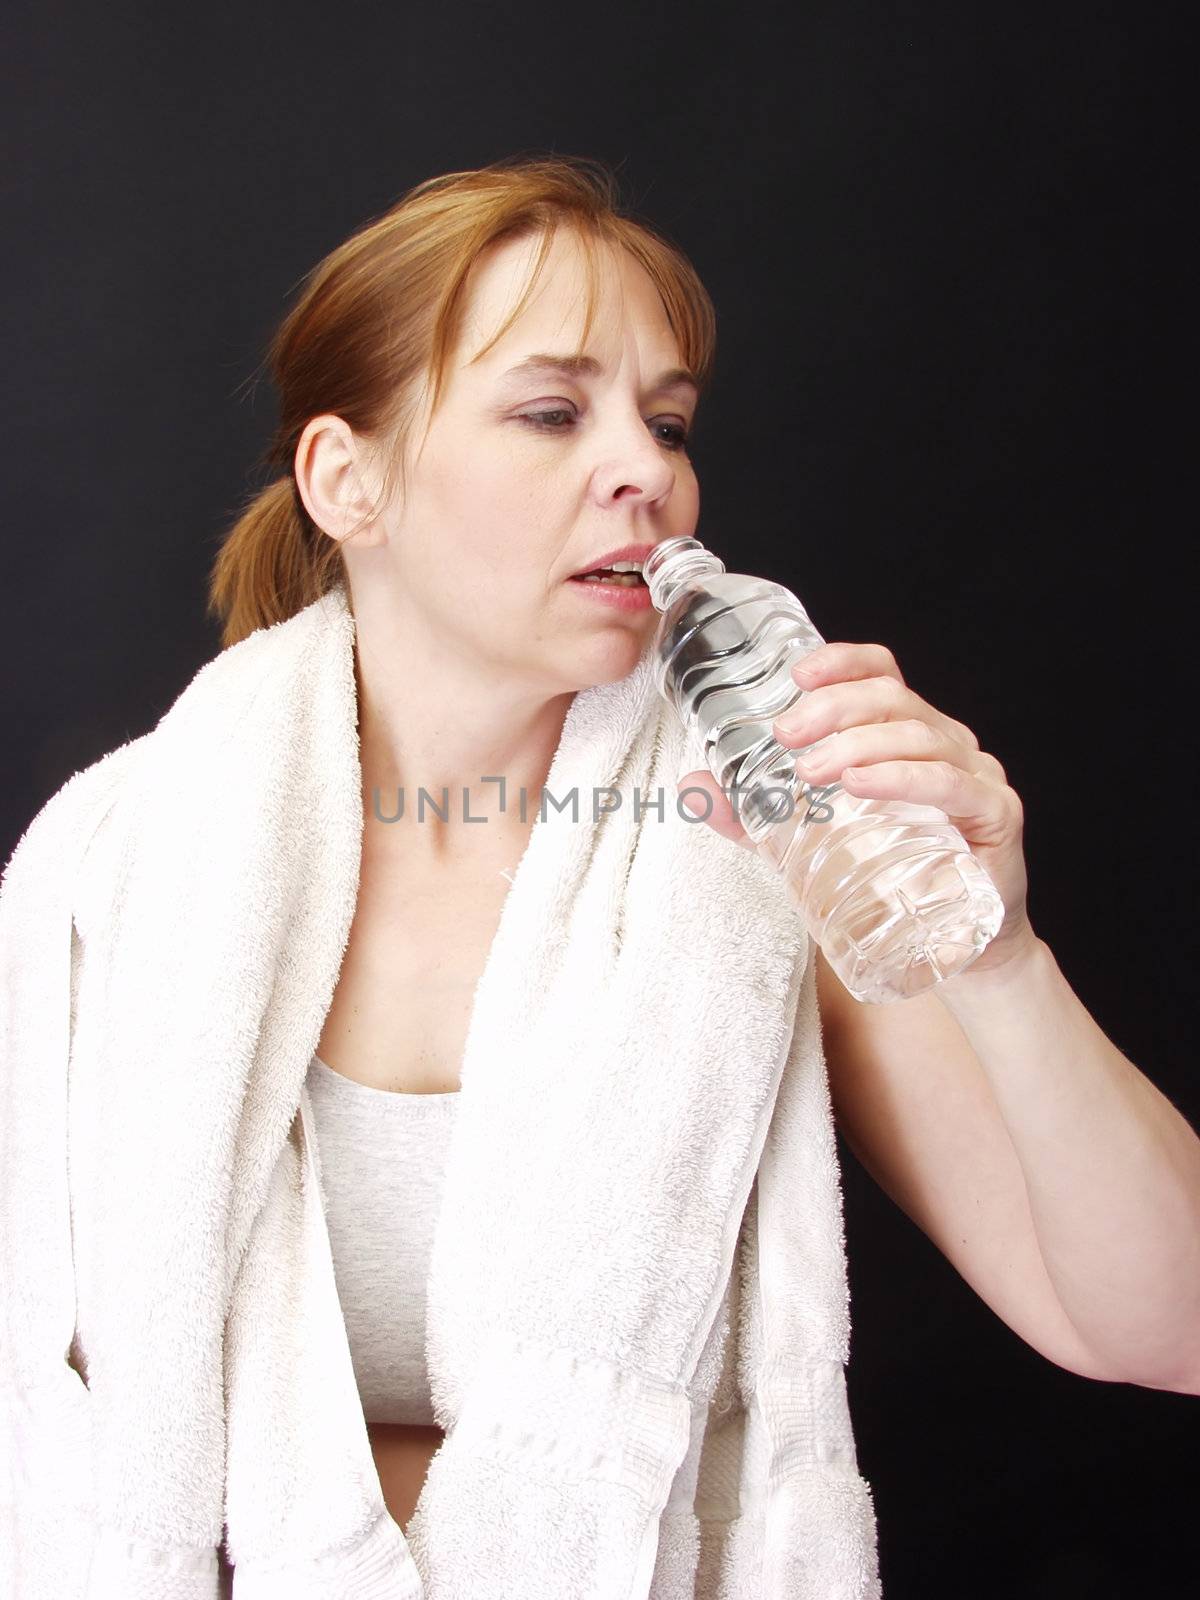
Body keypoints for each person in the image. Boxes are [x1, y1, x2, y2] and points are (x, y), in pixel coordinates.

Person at [4, 154, 1199, 1600]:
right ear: (348, 479)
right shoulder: (119, 871)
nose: (648, 471)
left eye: (670, 420)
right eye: (554, 412)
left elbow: (1159, 1324)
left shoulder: (769, 848)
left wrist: (1000, 960)